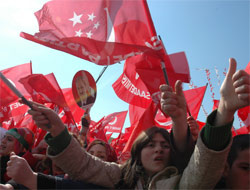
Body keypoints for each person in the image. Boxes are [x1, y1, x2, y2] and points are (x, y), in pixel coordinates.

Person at [10, 58, 250, 189]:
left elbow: (204, 168)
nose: (158, 149)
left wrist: (224, 112)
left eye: (164, 145)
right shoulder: (119, 176)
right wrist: (58, 130)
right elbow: (83, 165)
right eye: (151, 145)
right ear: (136, 151)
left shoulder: (179, 183)